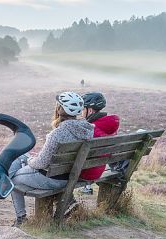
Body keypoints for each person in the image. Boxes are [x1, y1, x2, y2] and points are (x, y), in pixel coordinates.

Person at [8, 92, 93, 225]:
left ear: (59, 109)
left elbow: (41, 163)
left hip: (51, 179)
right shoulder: (87, 130)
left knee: (12, 179)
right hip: (69, 177)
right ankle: (69, 203)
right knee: (21, 158)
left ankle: (21, 218)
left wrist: (29, 161)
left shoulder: (57, 134)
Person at [79, 92, 120, 194]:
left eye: (83, 108)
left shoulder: (90, 128)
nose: (81, 112)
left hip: (85, 173)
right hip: (99, 170)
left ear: (90, 110)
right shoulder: (109, 125)